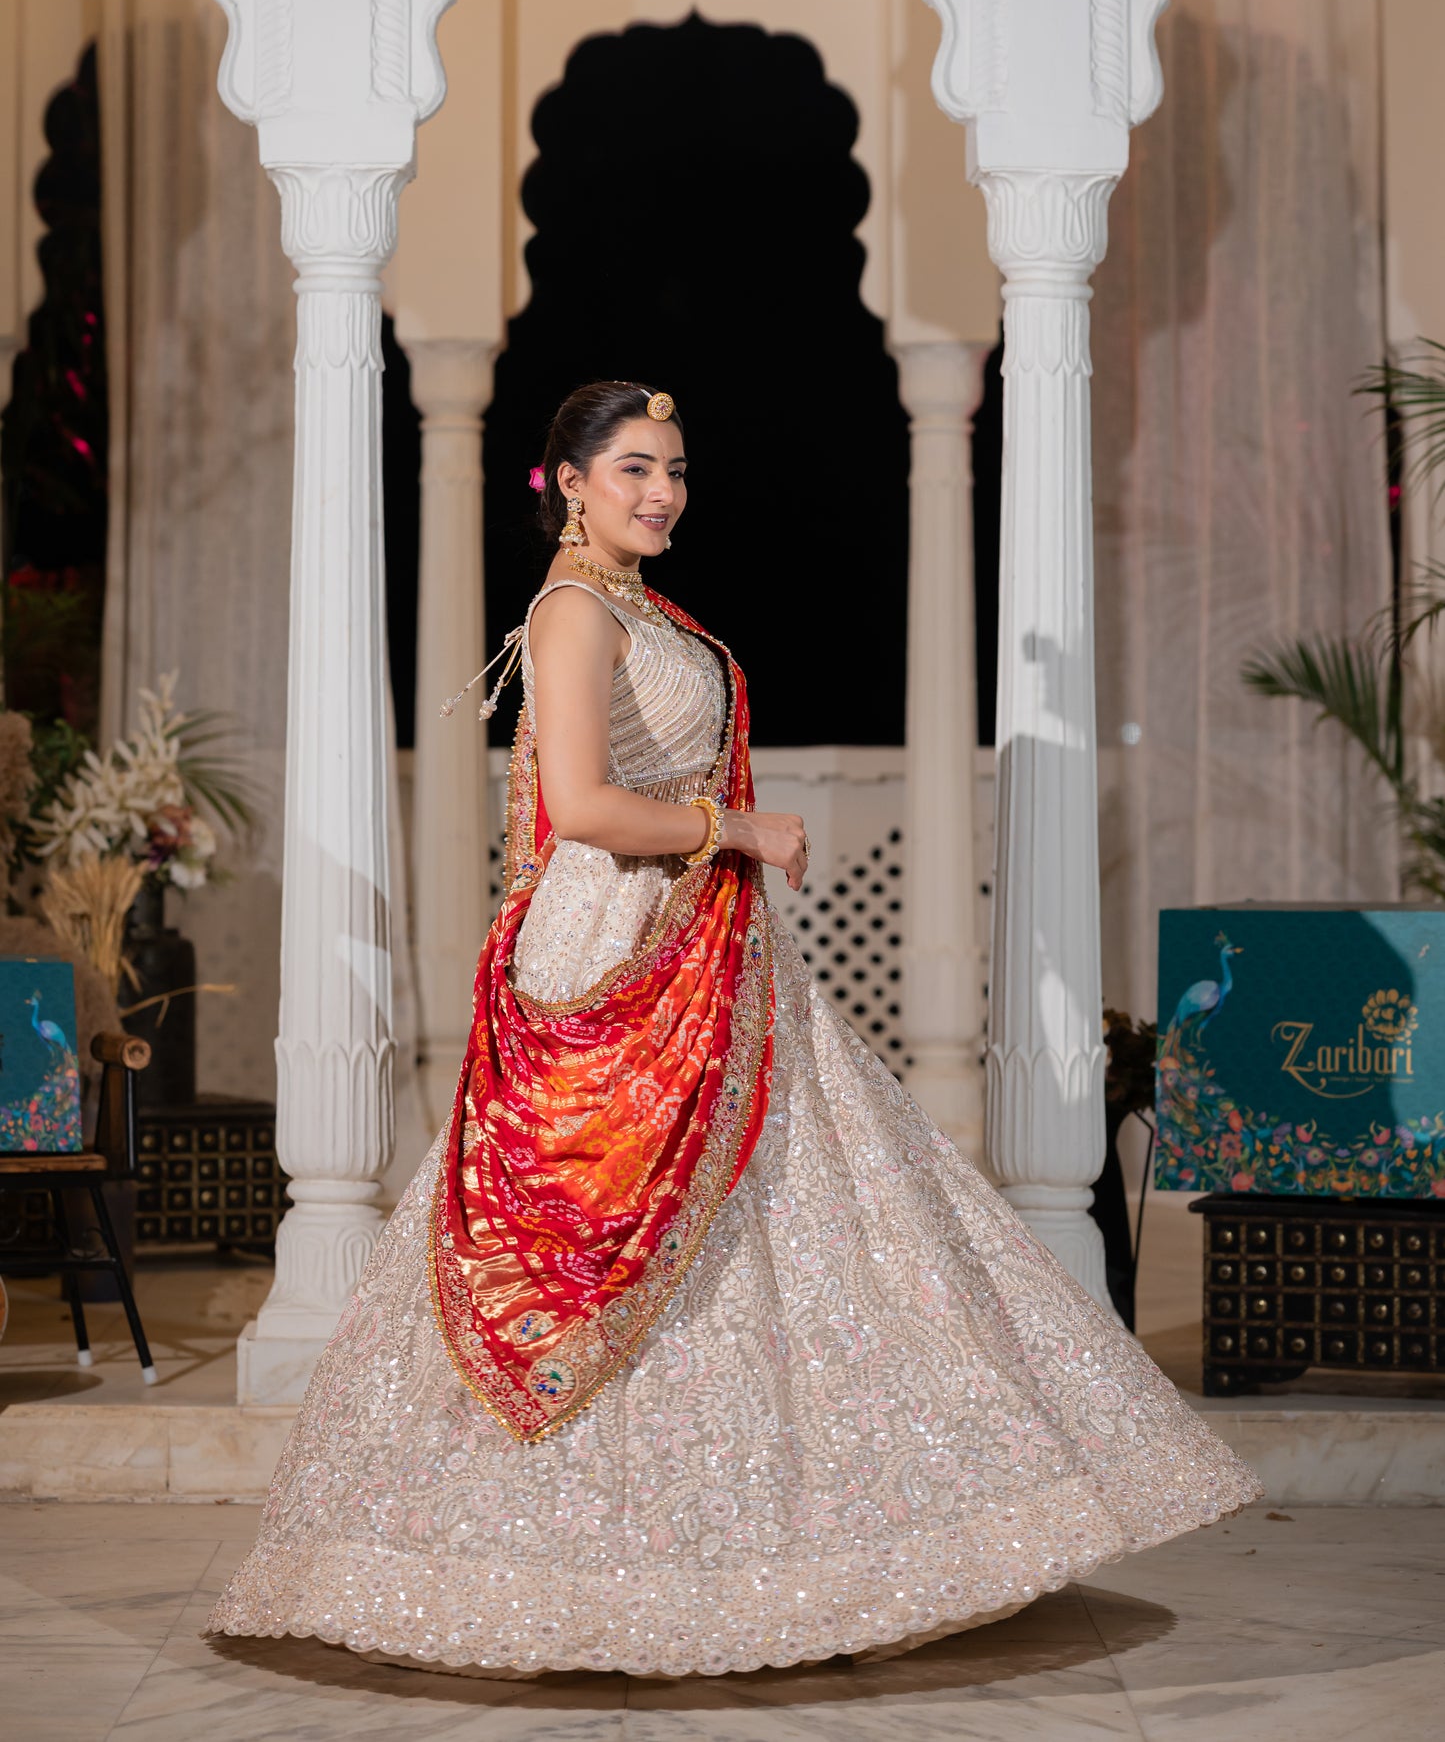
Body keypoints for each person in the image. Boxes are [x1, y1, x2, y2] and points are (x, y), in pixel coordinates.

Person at [209, 378, 1260, 1678]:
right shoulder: (571, 611)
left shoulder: (640, 607)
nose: (661, 492)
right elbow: (585, 804)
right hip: (617, 951)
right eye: (635, 467)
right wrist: (738, 831)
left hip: (699, 947)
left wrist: (721, 856)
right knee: (602, 1239)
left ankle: (771, 1549)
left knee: (791, 1233)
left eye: (676, 470)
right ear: (568, 482)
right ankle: (529, 1566)